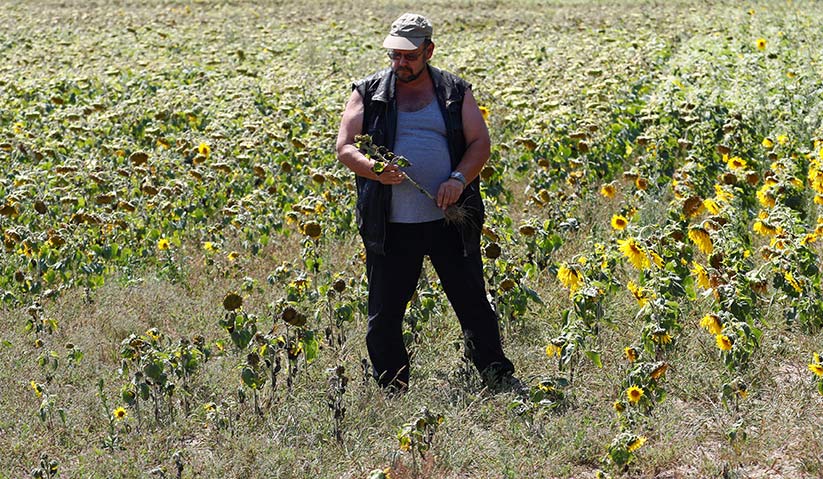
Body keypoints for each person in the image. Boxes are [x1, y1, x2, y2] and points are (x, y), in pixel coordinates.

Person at [336, 13, 515, 391]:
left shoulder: (454, 91)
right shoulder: (367, 91)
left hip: (449, 220)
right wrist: (374, 169)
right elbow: (345, 146)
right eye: (394, 56)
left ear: (429, 50)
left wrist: (457, 179)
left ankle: (495, 375)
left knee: (472, 303)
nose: (400, 63)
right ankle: (392, 386)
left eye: (409, 56)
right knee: (384, 314)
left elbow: (479, 143)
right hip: (391, 224)